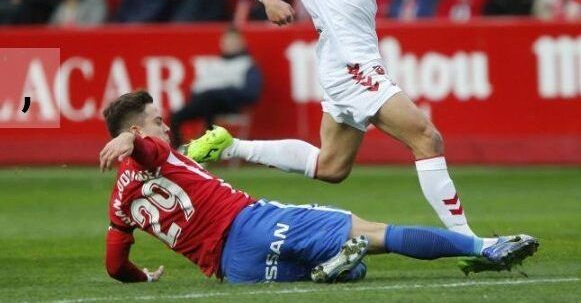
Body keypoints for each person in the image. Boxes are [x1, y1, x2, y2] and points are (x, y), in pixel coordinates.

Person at [229, 0, 479, 238]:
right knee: (427, 137)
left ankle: (230, 145)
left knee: (331, 166)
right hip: (351, 65)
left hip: (346, 62)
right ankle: (470, 242)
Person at [99, 91, 539, 283]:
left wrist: (143, 278)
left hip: (234, 272)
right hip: (251, 223)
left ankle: (330, 267)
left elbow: (115, 263)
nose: (166, 125)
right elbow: (151, 155)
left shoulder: (120, 201)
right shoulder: (156, 150)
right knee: (372, 235)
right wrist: (134, 141)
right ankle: (484, 247)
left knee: (353, 268)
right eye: (157, 121)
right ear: (138, 129)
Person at [170, 27, 262, 146]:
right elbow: (195, 90)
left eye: (233, 41)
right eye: (227, 42)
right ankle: (178, 151)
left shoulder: (248, 64)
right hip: (203, 102)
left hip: (229, 104)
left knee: (210, 100)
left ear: (242, 43)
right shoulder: (212, 64)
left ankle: (207, 146)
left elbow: (252, 94)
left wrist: (224, 92)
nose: (230, 45)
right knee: (176, 116)